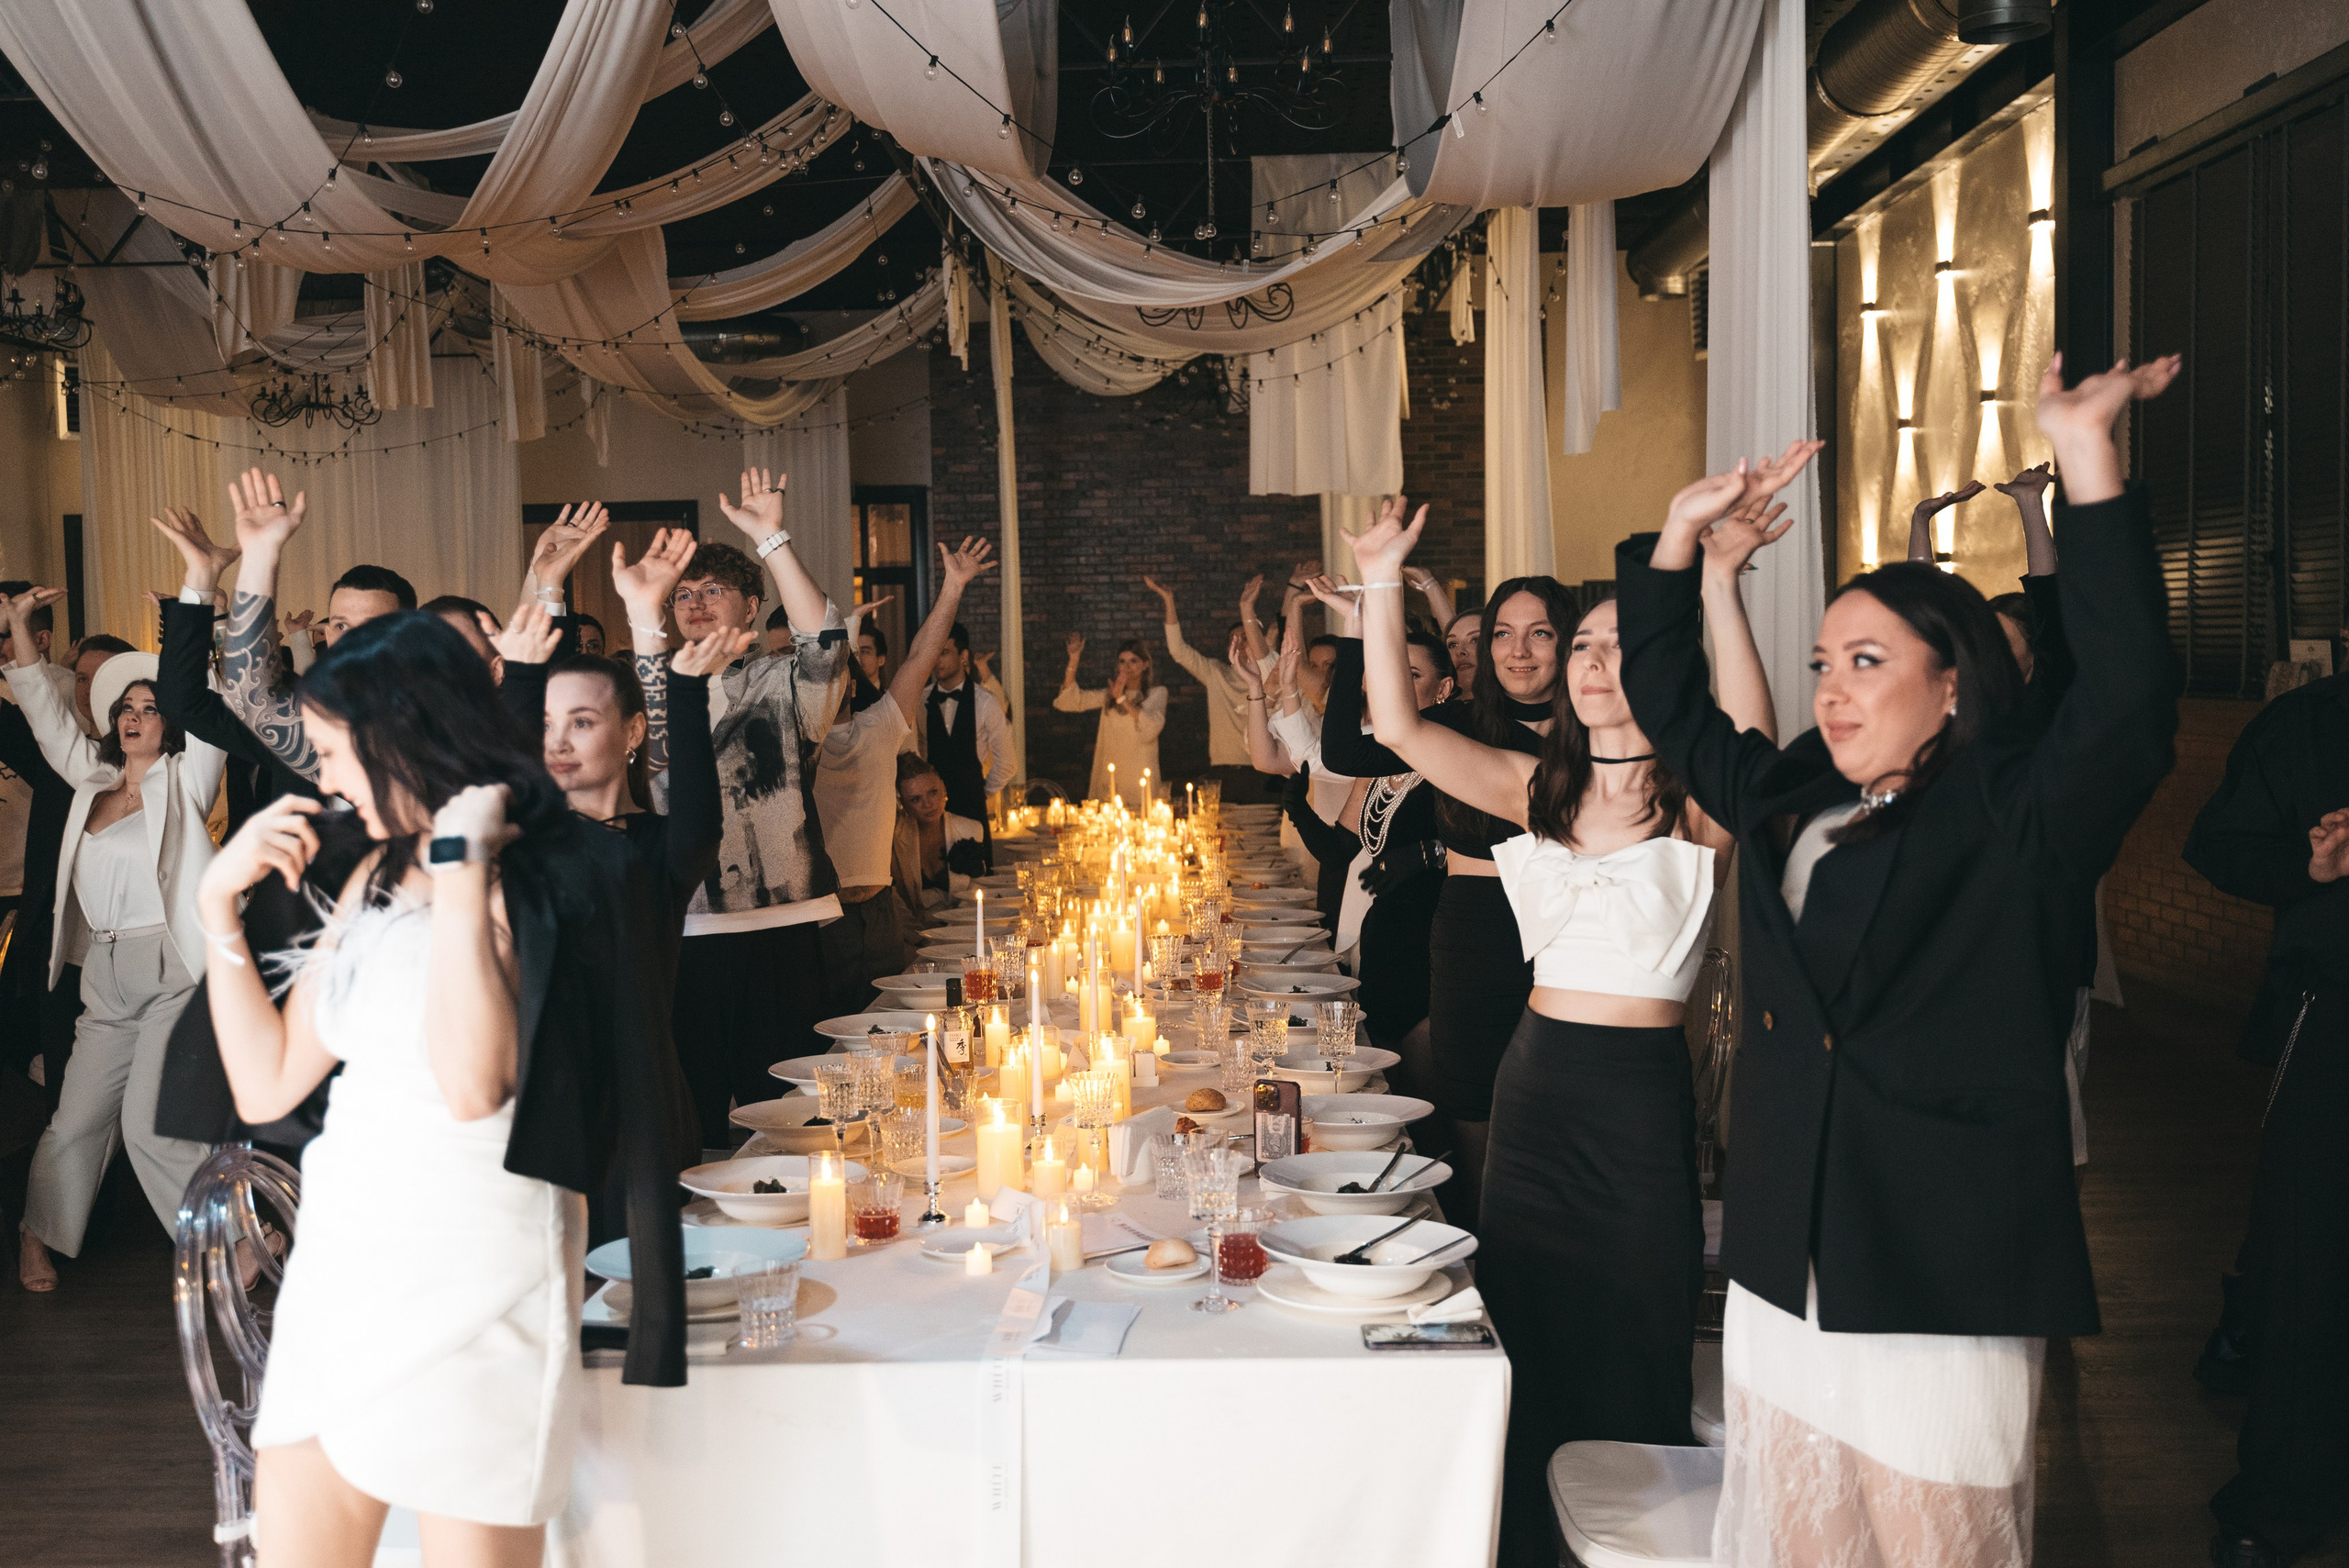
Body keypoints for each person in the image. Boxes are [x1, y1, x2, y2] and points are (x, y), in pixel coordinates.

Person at [1620, 357, 2181, 1568]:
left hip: (1938, 1258)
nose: (1830, 688)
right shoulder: (1796, 793)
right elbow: (1671, 704)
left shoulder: (2016, 817)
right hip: (1790, 1251)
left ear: (1952, 679)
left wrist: (2086, 459)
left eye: (1866, 661)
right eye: (1822, 661)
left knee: (1938, 1547)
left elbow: (2132, 702)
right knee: (1802, 1541)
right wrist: (1677, 535)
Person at [1353, 473, 1795, 1568]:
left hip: (1640, 1096)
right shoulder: (1530, 789)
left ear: (1657, 659)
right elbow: (1399, 722)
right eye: (1583, 647)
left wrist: (1723, 582)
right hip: (1536, 1085)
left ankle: (1629, 1533)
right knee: (1530, 1320)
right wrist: (1372, 584)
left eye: (1614, 642)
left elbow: (1746, 724)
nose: (1595, 662)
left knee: (1635, 1318)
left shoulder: (1698, 806)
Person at [198, 608, 686, 1566]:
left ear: (400, 735)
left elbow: (472, 1084)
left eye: (336, 751)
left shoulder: (533, 875)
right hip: (342, 1273)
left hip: (478, 1282)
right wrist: (217, 904)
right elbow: (266, 1085)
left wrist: (462, 870)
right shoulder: (367, 876)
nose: (326, 778)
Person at [2185, 595, 2349, 1566]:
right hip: (2332, 1018)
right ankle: (2282, 1498)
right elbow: (2214, 844)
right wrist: (2312, 865)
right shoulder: (2304, 723)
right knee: (2310, 1265)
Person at [4, 586, 227, 1294]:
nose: (134, 718)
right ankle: (35, 1231)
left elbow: (212, 709)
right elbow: (44, 715)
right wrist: (17, 629)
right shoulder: (90, 782)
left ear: (172, 721)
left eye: (149, 707)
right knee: (74, 1121)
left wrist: (201, 612)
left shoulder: (187, 781)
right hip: (102, 969)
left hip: (170, 968)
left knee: (153, 1127)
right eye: (125, 709)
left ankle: (224, 1246)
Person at [635, 468, 848, 1148]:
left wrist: (770, 537)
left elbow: (825, 648)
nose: (695, 603)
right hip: (687, 924)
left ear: (750, 606)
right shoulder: (648, 685)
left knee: (785, 1110)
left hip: (783, 915)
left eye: (714, 590)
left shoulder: (778, 680)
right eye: (684, 595)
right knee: (690, 1110)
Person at [815, 538, 997, 1014]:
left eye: (835, 675)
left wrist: (953, 588)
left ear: (851, 684)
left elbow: (921, 655)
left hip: (878, 908)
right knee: (829, 1027)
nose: (824, 685)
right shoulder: (797, 742)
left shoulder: (879, 726)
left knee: (889, 1022)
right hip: (820, 912)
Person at [1146, 572, 1264, 796]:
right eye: (1234, 640)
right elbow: (1179, 650)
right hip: (1223, 771)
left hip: (1265, 771)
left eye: (1246, 637)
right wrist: (1169, 600)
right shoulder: (1216, 672)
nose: (1239, 644)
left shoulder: (1271, 674)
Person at [918, 621, 1016, 825]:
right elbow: (918, 752)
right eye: (934, 653)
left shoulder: (986, 702)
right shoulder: (921, 700)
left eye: (944, 652)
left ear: (963, 656)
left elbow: (1007, 762)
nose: (937, 660)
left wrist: (981, 793)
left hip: (972, 811)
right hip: (932, 816)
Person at [1055, 633, 1167, 809]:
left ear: (1145, 665)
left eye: (1133, 661)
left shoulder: (1157, 693)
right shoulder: (1108, 696)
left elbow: (1152, 726)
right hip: (1112, 776)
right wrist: (1074, 659)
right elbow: (1070, 701)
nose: (1127, 666)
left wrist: (1122, 699)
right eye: (1122, 661)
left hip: (1140, 777)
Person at [891, 754, 987, 929]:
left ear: (943, 788)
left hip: (962, 927)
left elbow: (976, 891)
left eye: (933, 792)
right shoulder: (896, 838)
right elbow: (896, 901)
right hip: (917, 932)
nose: (928, 804)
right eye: (916, 799)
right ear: (902, 803)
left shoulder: (970, 829)